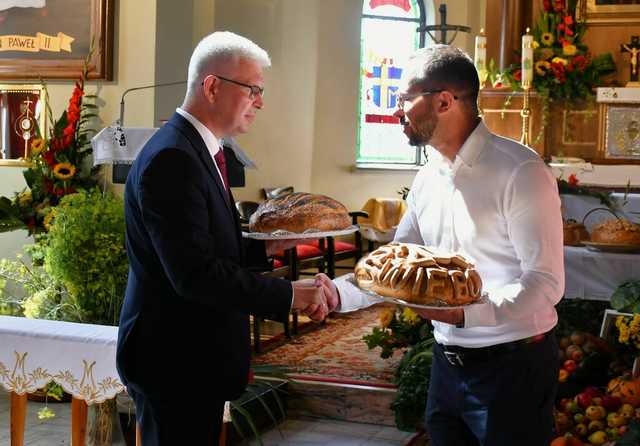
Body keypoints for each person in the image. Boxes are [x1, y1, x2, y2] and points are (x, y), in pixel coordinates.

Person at [317, 45, 564, 446]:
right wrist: (336, 295)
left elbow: (546, 283)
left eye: (403, 99)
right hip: (447, 366)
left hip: (513, 367)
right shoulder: (428, 176)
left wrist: (465, 316)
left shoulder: (520, 172)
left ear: (445, 101)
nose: (397, 110)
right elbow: (393, 265)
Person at [116, 31, 330, 445]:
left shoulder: (200, 149)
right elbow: (193, 273)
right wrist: (289, 295)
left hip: (192, 359)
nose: (260, 102)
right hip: (173, 361)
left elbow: (203, 244)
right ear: (212, 86)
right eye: (253, 89)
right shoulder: (172, 158)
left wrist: (264, 247)